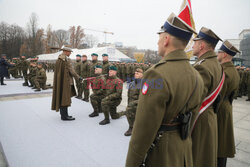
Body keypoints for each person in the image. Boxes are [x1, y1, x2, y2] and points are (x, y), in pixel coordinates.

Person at [126, 13, 204, 167]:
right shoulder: (197, 76)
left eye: (160, 37)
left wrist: (132, 163)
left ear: (166, 39)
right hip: (183, 151)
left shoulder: (156, 74)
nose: (158, 42)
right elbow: (193, 118)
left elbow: (143, 130)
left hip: (161, 155)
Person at [192, 27, 223, 167]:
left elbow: (193, 100)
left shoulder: (202, 66)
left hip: (200, 120)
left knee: (197, 159)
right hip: (209, 117)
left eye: (195, 42)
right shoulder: (216, 64)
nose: (192, 45)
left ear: (202, 45)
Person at [217, 40, 241, 167]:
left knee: (220, 144)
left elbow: (218, 97)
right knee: (223, 143)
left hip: (220, 111)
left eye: (219, 52)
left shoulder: (225, 72)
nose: (218, 54)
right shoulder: (233, 71)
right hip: (226, 108)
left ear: (225, 54)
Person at [51, 46, 82, 121]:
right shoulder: (66, 60)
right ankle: (65, 116)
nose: (70, 53)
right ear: (66, 51)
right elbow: (71, 71)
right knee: (65, 98)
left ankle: (63, 115)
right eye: (70, 52)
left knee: (62, 97)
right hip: (66, 82)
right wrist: (78, 78)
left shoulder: (59, 59)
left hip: (62, 82)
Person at [124, 67, 143, 136]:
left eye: (138, 73)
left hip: (140, 104)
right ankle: (132, 124)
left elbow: (143, 99)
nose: (136, 74)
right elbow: (129, 95)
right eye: (135, 73)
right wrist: (129, 103)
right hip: (132, 104)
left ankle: (132, 127)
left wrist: (132, 104)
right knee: (129, 110)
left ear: (142, 75)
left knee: (129, 110)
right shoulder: (131, 83)